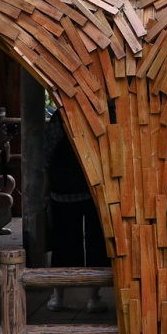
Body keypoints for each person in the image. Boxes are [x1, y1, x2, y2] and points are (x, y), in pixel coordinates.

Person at [44, 114, 106, 313]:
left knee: (62, 244)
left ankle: (57, 297)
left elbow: (46, 159)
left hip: (61, 194)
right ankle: (93, 299)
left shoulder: (55, 121)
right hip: (91, 193)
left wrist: (45, 192)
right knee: (96, 244)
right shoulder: (92, 119)